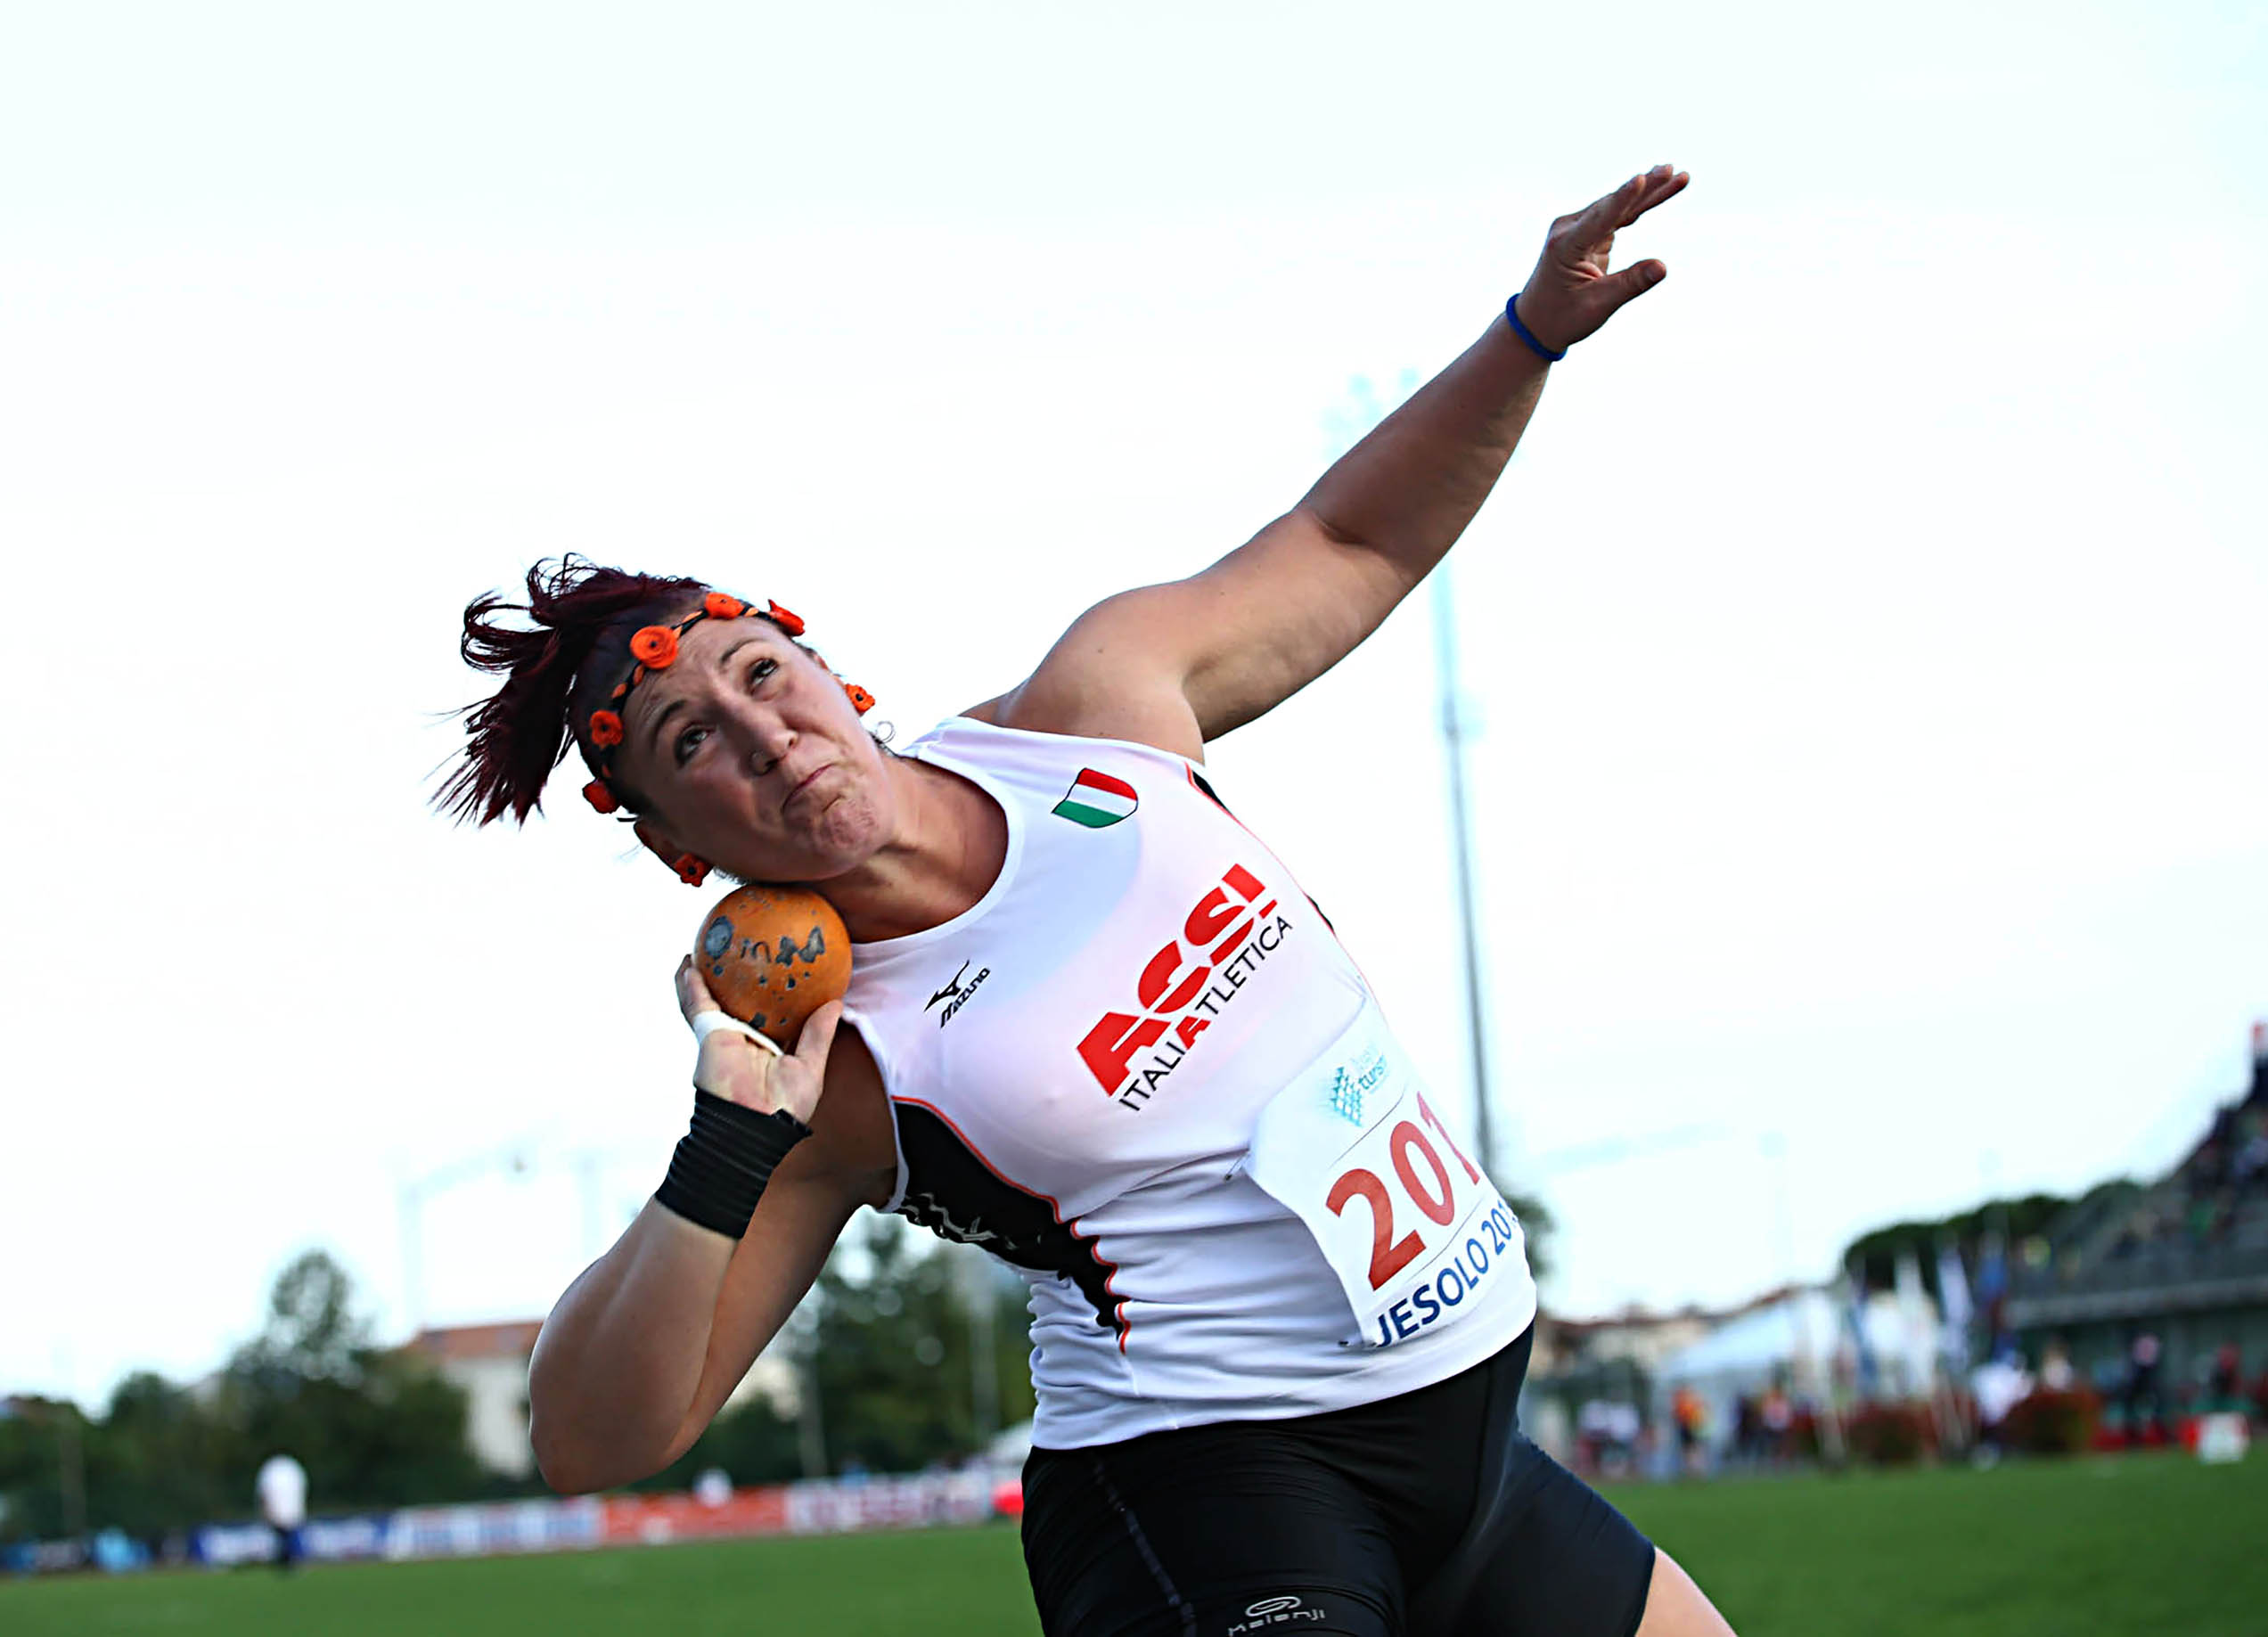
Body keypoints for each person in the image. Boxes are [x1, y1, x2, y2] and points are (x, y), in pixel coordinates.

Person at [444, 165, 1735, 1637]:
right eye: (693, 746)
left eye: (759, 674)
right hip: (1215, 1498)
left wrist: (1529, 334)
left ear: (827, 668)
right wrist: (729, 1142)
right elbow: (592, 1435)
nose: (764, 734)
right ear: (681, 848)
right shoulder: (833, 1062)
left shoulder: (1094, 717)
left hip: (1470, 1448)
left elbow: (1347, 544)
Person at [254, 1451, 306, 1573]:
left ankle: (288, 1561)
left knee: (286, 1538)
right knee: (285, 1538)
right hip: (286, 1513)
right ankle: (288, 1561)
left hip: (282, 1513)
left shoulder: (275, 1471)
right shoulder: (282, 1470)